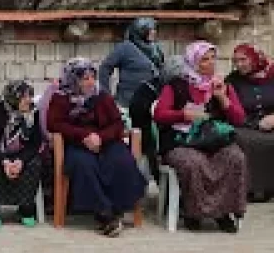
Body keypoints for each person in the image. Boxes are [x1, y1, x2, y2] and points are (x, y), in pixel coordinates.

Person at [152, 41, 248, 232]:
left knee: (235, 157)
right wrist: (184, 115)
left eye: (213, 58)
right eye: (205, 59)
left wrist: (222, 98)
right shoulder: (176, 86)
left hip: (214, 139)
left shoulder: (222, 86)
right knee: (193, 162)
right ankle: (193, 213)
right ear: (193, 62)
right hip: (182, 140)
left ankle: (223, 213)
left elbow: (239, 119)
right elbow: (159, 114)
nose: (211, 63)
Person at [46, 58, 147, 237]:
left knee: (121, 161)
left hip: (106, 141)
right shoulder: (60, 98)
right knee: (83, 165)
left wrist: (100, 137)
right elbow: (54, 124)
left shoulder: (102, 96)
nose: (91, 82)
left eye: (93, 77)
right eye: (85, 78)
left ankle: (117, 207)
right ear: (73, 79)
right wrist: (83, 136)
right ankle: (104, 212)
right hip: (77, 144)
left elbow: (117, 123)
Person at [101, 17, 168, 177]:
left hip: (150, 105)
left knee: (152, 143)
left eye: (154, 29)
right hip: (128, 103)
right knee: (132, 143)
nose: (153, 33)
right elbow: (105, 68)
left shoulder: (156, 50)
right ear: (139, 31)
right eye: (149, 30)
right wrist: (106, 95)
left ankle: (154, 178)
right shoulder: (125, 48)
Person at [0, 80, 44, 228]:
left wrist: (20, 161)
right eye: (24, 97)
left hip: (21, 154)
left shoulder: (33, 113)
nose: (28, 100)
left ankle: (26, 208)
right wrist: (5, 162)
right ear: (13, 98)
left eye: (30, 96)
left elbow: (35, 144)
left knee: (35, 163)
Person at [226, 43, 274, 202]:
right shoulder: (233, 80)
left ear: (255, 59)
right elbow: (230, 108)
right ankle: (252, 189)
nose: (239, 64)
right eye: (235, 61)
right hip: (246, 124)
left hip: (272, 122)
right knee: (247, 141)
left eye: (243, 59)